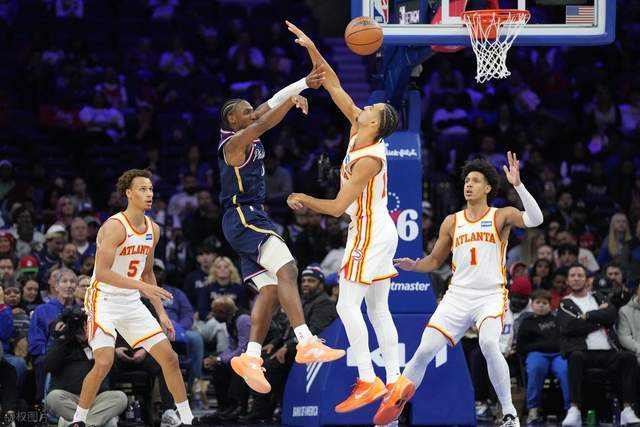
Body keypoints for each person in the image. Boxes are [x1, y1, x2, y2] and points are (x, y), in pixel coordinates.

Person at [374, 153, 544, 426]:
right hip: (457, 296)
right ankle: (393, 415)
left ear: (487, 188)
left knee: (489, 343)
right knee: (424, 351)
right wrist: (414, 265)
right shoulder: (452, 221)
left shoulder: (501, 215)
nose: (469, 185)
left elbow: (536, 219)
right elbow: (434, 261)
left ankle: (510, 413)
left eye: (475, 181)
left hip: (490, 294)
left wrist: (518, 186)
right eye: (466, 181)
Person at [285, 21, 402, 413]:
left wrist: (303, 197)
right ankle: (395, 380)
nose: (365, 106)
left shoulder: (370, 158)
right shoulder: (357, 126)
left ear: (376, 124)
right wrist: (311, 46)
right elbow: (333, 81)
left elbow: (336, 208)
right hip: (376, 228)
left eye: (372, 109)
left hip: (369, 230)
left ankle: (368, 380)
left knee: (346, 306)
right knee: (378, 309)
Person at [217, 59, 344, 393]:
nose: (253, 112)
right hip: (243, 216)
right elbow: (266, 120)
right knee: (289, 269)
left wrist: (303, 83)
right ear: (233, 119)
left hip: (248, 218)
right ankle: (306, 342)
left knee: (271, 289)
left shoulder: (246, 127)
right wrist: (291, 103)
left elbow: (269, 105)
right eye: (247, 111)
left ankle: (250, 357)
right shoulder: (233, 143)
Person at [69, 169, 196, 427]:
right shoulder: (115, 227)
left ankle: (188, 419)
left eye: (151, 189)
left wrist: (161, 313)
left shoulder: (154, 229)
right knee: (104, 362)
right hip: (102, 300)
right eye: (142, 189)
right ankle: (78, 420)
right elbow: (102, 273)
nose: (149, 194)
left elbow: (148, 273)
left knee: (170, 358)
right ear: (128, 193)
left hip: (130, 301)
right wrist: (142, 287)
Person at [557, 263, 640, 426]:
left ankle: (627, 410)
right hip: (583, 352)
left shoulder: (598, 297)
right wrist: (599, 320)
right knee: (574, 358)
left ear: (587, 279)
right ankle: (574, 410)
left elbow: (611, 315)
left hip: (608, 351)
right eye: (572, 275)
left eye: (580, 275)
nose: (576, 278)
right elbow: (569, 327)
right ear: (567, 280)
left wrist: (586, 316)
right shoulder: (565, 303)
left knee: (629, 358)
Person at [44, 307, 127, 427]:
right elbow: (48, 366)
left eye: (86, 325)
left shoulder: (100, 342)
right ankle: (93, 422)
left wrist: (97, 341)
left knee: (120, 397)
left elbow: (114, 370)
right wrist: (62, 339)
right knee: (53, 398)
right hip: (70, 397)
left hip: (97, 398)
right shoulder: (63, 344)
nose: (82, 329)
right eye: (77, 326)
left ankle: (81, 424)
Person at [516, 289, 569, 423]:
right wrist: (538, 347)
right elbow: (521, 346)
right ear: (532, 304)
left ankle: (570, 409)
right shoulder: (526, 322)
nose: (541, 305)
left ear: (550, 305)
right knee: (535, 370)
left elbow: (565, 339)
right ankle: (533, 409)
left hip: (558, 354)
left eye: (544, 303)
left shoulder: (558, 320)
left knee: (566, 371)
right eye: (538, 302)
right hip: (536, 354)